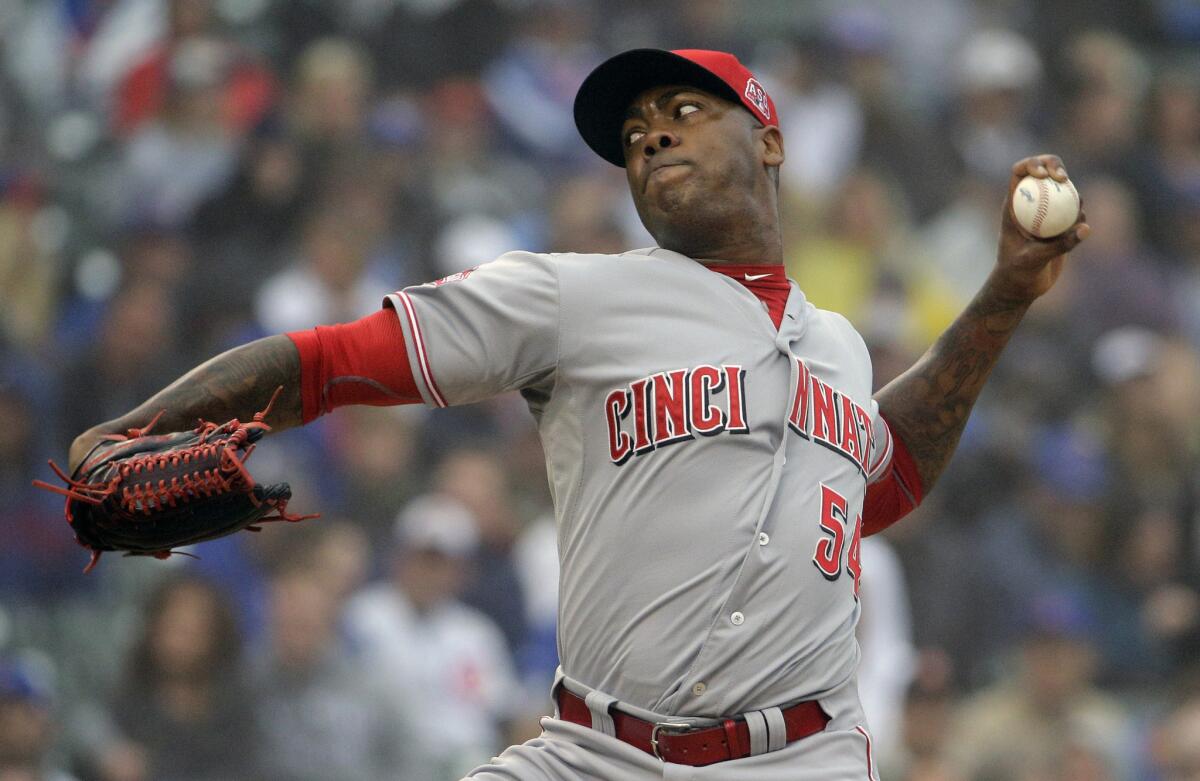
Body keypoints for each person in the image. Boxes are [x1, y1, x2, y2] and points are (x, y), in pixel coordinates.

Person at [64, 48, 1089, 779]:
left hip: (801, 755)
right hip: (595, 750)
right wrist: (145, 424)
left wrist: (1003, 294)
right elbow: (333, 361)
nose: (650, 139)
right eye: (637, 137)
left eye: (683, 113)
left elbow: (884, 478)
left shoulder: (839, 347)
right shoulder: (576, 294)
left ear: (769, 139)